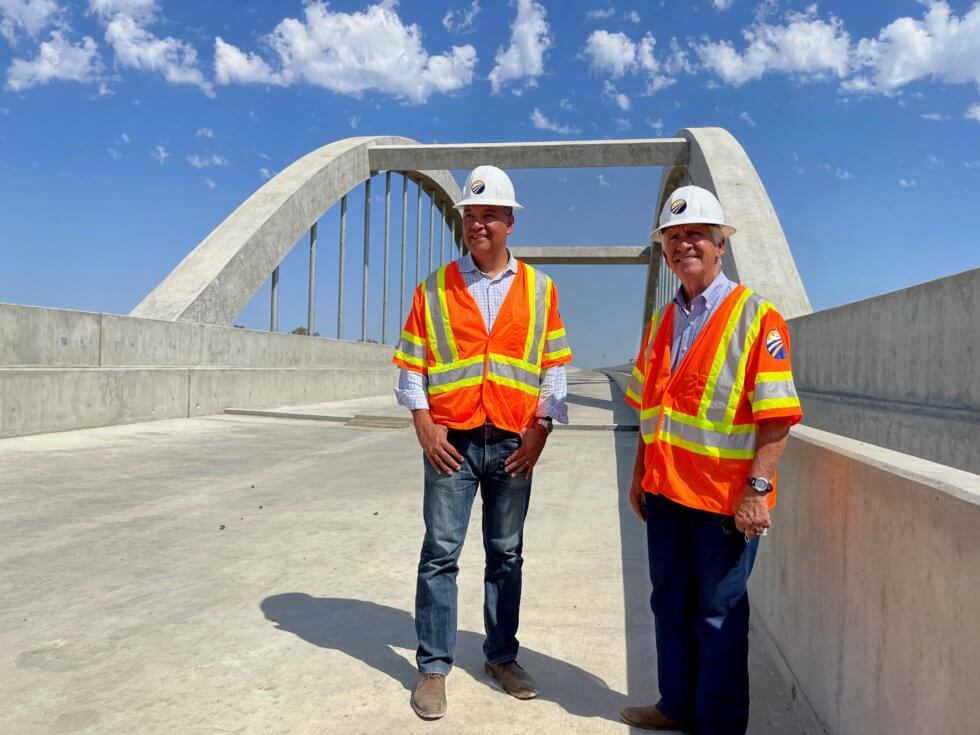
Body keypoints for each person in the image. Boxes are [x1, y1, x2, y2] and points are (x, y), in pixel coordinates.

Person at [620, 185, 803, 734]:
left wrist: (758, 489)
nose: (684, 245)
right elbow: (650, 411)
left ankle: (718, 725)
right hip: (665, 493)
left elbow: (776, 415)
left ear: (721, 243)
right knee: (669, 604)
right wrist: (639, 475)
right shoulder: (662, 325)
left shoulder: (757, 317)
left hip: (724, 502)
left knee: (719, 615)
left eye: (696, 233)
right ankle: (676, 704)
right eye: (673, 238)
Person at [392, 165, 573, 720]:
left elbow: (554, 371)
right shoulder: (434, 287)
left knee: (507, 554)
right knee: (440, 554)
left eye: (488, 215)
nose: (477, 225)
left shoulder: (541, 290)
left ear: (510, 222)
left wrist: (541, 429)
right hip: (452, 442)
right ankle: (433, 668)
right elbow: (411, 369)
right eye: (470, 216)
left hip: (514, 443)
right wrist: (423, 424)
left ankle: (501, 657)